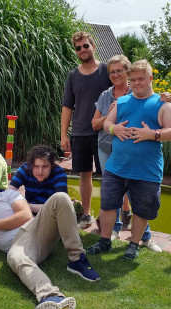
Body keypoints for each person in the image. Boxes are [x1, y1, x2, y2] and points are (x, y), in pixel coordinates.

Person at [0, 163, 99, 309]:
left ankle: (76, 259)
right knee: (16, 258)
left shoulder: (9, 195)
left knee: (60, 197)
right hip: (18, 246)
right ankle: (52, 298)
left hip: (35, 229)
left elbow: (25, 216)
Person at [87, 59, 171, 260]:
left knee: (142, 209)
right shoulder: (121, 102)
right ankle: (105, 241)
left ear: (150, 79)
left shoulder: (162, 104)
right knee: (108, 205)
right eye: (133, 79)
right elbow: (106, 123)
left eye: (140, 79)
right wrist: (114, 128)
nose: (136, 83)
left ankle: (134, 244)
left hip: (146, 170)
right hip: (116, 167)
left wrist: (152, 134)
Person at [61, 31, 111, 229]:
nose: (82, 50)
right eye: (78, 48)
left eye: (85, 46)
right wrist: (64, 134)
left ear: (93, 47)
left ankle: (114, 214)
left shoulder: (107, 70)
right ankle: (86, 214)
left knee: (109, 174)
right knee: (84, 174)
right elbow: (67, 106)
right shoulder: (73, 75)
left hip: (104, 132)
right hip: (80, 132)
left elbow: (125, 92)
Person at [8, 145, 67, 215]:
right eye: (36, 166)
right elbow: (9, 194)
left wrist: (26, 205)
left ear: (52, 165)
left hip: (50, 216)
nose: (40, 171)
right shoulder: (25, 169)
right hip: (28, 214)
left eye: (45, 167)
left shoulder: (59, 173)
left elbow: (60, 206)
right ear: (31, 165)